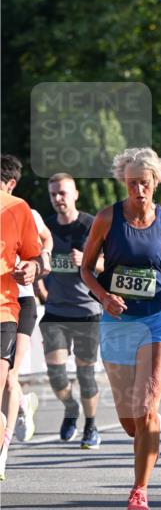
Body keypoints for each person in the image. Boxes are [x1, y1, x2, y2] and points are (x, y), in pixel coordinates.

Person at [81, 147, 161, 510]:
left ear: (156, 182)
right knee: (130, 421)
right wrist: (104, 296)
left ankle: (139, 491)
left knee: (148, 405)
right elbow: (86, 269)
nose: (138, 190)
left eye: (144, 183)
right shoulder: (106, 218)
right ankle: (148, 427)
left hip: (157, 319)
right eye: (132, 183)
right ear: (124, 182)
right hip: (118, 322)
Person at [41, 173, 104, 448]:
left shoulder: (90, 225)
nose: (58, 199)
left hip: (87, 310)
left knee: (85, 374)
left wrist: (88, 262)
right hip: (56, 310)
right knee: (55, 373)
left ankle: (91, 425)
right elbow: (36, 257)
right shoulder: (47, 226)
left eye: (63, 193)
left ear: (75, 194)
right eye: (53, 194)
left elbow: (109, 261)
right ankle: (70, 408)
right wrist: (41, 288)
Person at [0, 155, 52, 480]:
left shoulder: (23, 210)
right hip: (11, 302)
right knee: (8, 380)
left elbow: (43, 248)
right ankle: (20, 407)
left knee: (10, 377)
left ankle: (2, 454)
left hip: (19, 302)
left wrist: (34, 267)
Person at [0, 180, 42, 460]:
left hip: (4, 310)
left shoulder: (17, 208)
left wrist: (32, 267)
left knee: (10, 379)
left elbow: (35, 254)